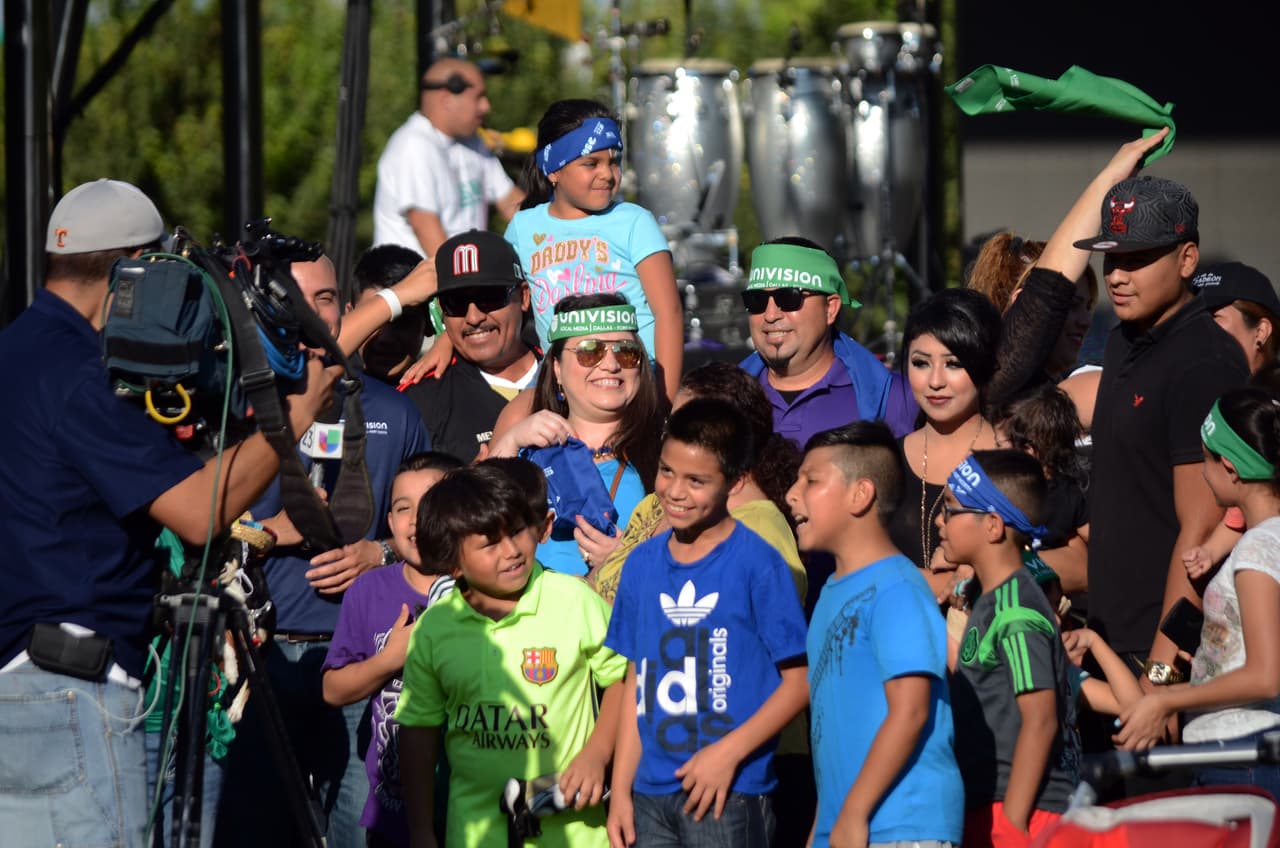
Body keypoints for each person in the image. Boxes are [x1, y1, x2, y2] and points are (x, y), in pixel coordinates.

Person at [0, 179, 337, 845]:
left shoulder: (17, 350)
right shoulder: (77, 373)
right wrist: (297, 409)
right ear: (132, 267)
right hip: (71, 693)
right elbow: (198, 513)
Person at [216, 254, 432, 848]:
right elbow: (187, 527)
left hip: (367, 667)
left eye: (330, 297)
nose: (317, 313)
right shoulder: (234, 406)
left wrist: (379, 553)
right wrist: (267, 531)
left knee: (363, 838)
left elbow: (440, 531)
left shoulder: (394, 409)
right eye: (299, 298)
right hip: (263, 664)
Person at [587, 362, 814, 847]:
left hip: (729, 793)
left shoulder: (759, 562)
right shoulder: (643, 564)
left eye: (697, 480)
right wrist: (622, 790)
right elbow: (635, 680)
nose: (675, 491)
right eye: (668, 471)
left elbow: (800, 683)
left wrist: (727, 755)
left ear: (734, 483)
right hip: (648, 797)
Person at [1058, 129, 1250, 685]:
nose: (1116, 275)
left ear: (1187, 258)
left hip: (1162, 656)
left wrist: (1162, 673)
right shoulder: (1122, 340)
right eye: (1109, 259)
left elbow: (1203, 534)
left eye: (1138, 259)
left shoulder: (1204, 361)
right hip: (1106, 638)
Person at [396, 463, 628, 847]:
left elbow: (624, 676)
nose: (512, 551)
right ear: (454, 564)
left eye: (517, 530)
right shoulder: (435, 628)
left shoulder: (574, 600)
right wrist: (421, 828)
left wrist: (597, 754)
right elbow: (418, 728)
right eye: (490, 543)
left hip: (577, 834)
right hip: (474, 835)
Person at [787, 421, 963, 848]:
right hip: (851, 826)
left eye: (811, 480)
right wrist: (823, 828)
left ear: (860, 494)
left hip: (903, 826)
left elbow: (911, 711)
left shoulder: (898, 588)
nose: (792, 494)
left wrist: (852, 813)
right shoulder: (829, 594)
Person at [1113, 388, 1280, 800]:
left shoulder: (1257, 550)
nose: (1202, 475)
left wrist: (1167, 700)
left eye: (1205, 460)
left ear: (1230, 466)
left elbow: (1265, 675)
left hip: (1239, 753)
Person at [321, 451, 465, 846]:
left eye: (432, 501)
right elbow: (333, 689)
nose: (417, 520)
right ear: (389, 523)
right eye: (403, 508)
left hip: (473, 808)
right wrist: (390, 659)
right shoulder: (370, 590)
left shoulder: (483, 587)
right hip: (393, 811)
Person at [938, 450, 1080, 847]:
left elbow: (1040, 720)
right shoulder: (990, 600)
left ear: (993, 525)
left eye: (950, 509)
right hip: (988, 805)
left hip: (1024, 814)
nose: (939, 521)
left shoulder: (1017, 608)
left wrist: (1013, 825)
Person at [504, 98, 683, 402]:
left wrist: (665, 403)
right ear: (553, 170)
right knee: (513, 420)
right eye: (591, 163)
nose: (608, 174)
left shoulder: (635, 222)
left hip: (632, 381)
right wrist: (445, 344)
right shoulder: (523, 228)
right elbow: (495, 302)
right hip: (564, 388)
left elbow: (669, 313)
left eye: (614, 161)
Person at [488, 293, 661, 577]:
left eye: (626, 351)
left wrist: (627, 560)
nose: (611, 365)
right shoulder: (525, 454)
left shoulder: (668, 455)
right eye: (589, 351)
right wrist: (511, 441)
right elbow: (470, 532)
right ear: (556, 368)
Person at [739, 237, 918, 446]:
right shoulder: (722, 398)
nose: (770, 315)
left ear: (831, 308)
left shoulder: (898, 399)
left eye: (788, 298)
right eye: (756, 300)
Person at [887, 287, 1002, 596]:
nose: (935, 381)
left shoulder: (1011, 459)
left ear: (987, 364)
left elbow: (1075, 562)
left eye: (953, 364)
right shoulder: (884, 461)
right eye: (921, 363)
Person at [401, 230, 541, 462]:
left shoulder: (574, 374)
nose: (474, 317)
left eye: (490, 297)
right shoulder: (419, 402)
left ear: (524, 297)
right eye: (455, 302)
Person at [372, 57, 523, 258]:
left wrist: (556, 237)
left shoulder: (473, 141)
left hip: (460, 277)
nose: (486, 107)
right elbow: (429, 235)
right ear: (447, 99)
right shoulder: (414, 146)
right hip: (419, 282)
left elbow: (511, 202)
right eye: (478, 97)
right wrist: (469, 286)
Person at [990, 384, 1090, 594]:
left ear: (1028, 449)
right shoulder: (1069, 493)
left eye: (1000, 445)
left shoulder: (1067, 495)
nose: (994, 451)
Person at [966, 231, 1099, 382]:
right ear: (1024, 306)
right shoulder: (993, 389)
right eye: (1073, 305)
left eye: (1088, 307)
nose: (1086, 321)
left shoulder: (1076, 385)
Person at [351, 244, 430, 386]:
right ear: (350, 314)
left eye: (403, 322)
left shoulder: (444, 395)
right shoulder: (329, 388)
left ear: (427, 324)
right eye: (374, 319)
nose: (386, 338)